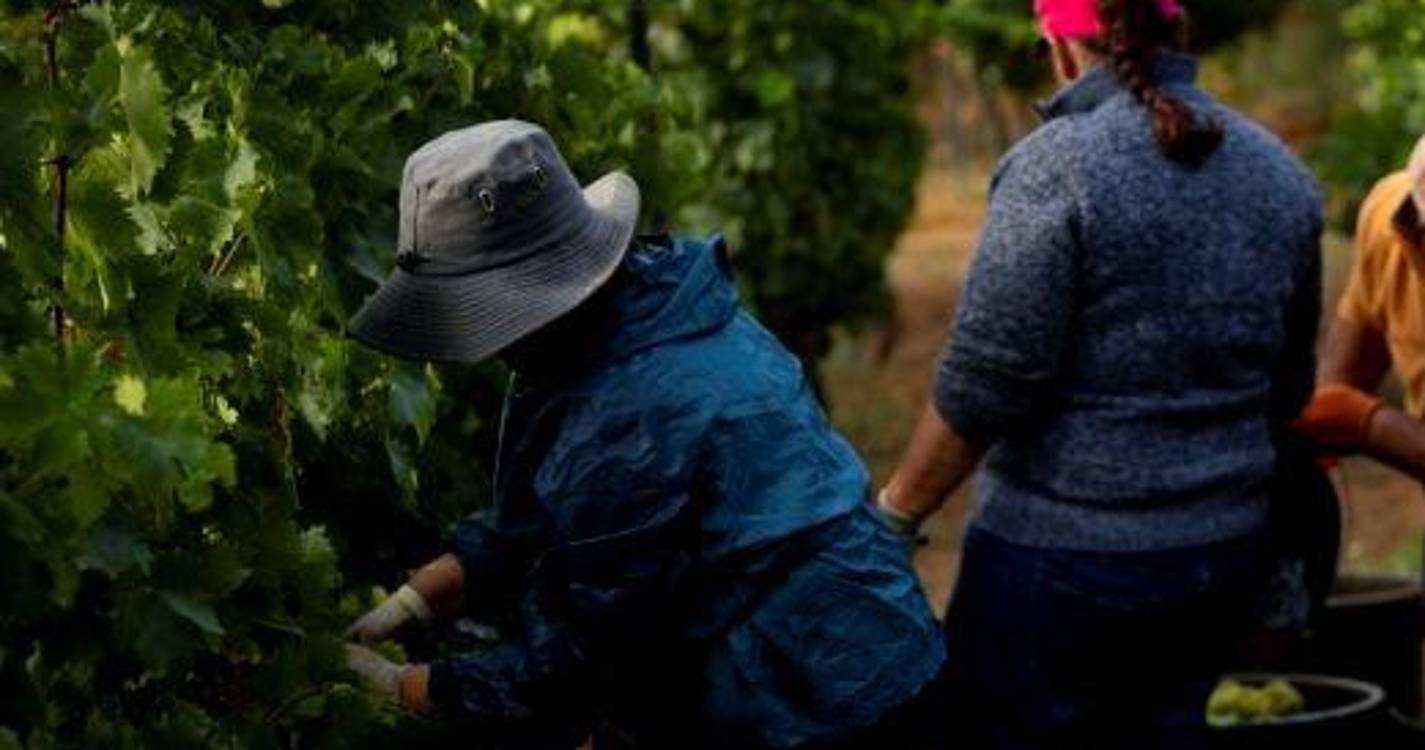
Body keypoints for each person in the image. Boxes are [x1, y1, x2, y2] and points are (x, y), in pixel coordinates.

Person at [339, 120, 944, 749]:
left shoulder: (626, 417)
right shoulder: (660, 302)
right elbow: (558, 515)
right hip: (866, 638)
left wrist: (406, 688)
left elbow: (578, 670)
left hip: (817, 701)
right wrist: (421, 596)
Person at [875, 0, 1324, 747]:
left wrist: (896, 513)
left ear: (1059, 47)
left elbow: (987, 380)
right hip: (1217, 561)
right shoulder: (1281, 174)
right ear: (1179, 32)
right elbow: (1290, 391)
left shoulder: (1057, 167)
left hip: (1061, 570)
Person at [1294, 134, 1425, 482]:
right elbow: (1357, 340)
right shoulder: (1392, 219)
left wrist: (1369, 426)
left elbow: (1355, 419)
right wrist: (1321, 411)